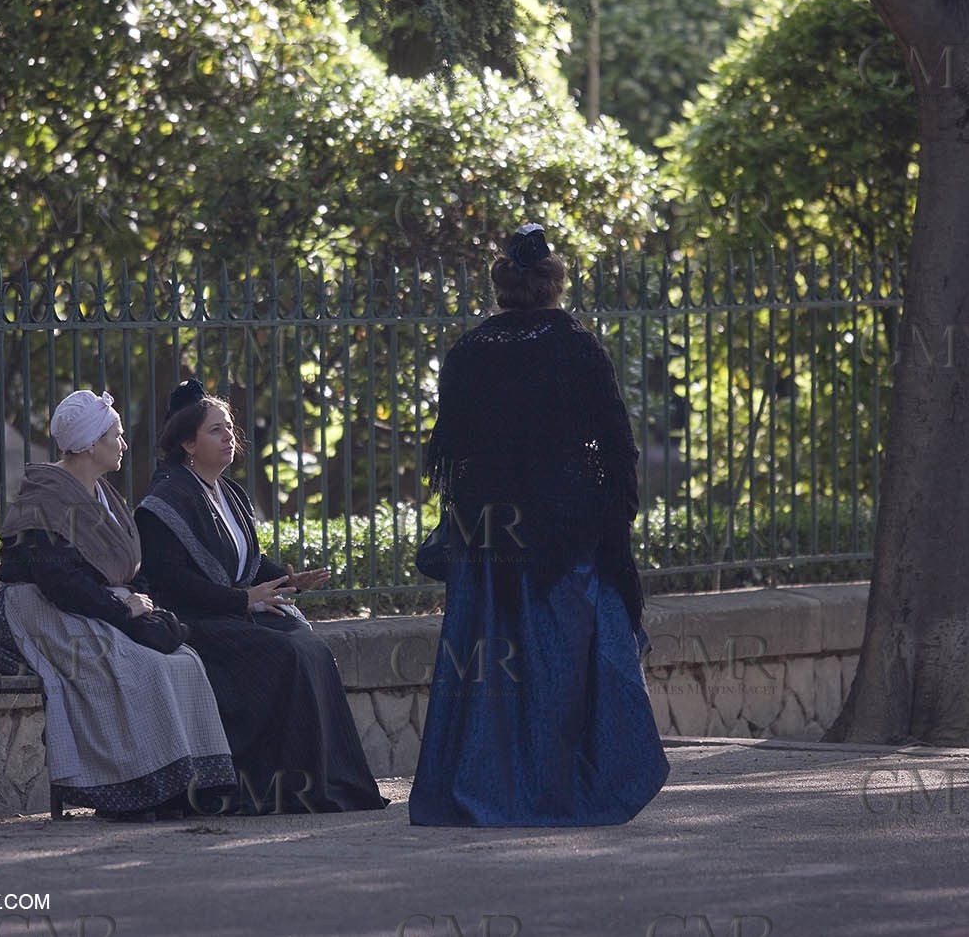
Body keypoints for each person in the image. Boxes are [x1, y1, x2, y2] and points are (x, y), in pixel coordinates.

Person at [408, 223, 669, 827]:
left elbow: (451, 452)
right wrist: (607, 522)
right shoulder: (576, 346)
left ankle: (483, 788)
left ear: (503, 286)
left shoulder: (469, 352)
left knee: (489, 671)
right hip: (564, 535)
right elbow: (613, 444)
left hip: (488, 538)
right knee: (572, 660)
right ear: (554, 286)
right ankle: (562, 790)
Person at [134, 380, 388, 815]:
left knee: (310, 646)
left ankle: (328, 783)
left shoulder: (230, 493)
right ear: (187, 443)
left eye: (230, 428)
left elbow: (248, 562)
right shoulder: (163, 502)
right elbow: (172, 582)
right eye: (216, 430)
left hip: (236, 613)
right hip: (200, 624)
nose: (230, 437)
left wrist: (289, 582)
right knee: (286, 651)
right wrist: (242, 601)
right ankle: (279, 787)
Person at [0, 389, 236, 821]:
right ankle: (132, 788)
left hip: (88, 606)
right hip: (36, 614)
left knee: (182, 662)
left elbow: (121, 568)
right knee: (131, 665)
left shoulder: (102, 493)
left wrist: (138, 607)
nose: (123, 444)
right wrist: (122, 612)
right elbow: (58, 580)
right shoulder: (45, 495)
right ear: (91, 444)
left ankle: (184, 785)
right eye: (116, 436)